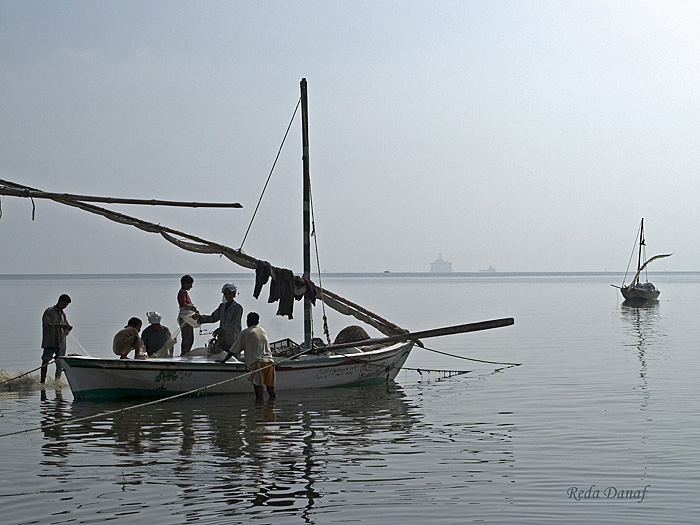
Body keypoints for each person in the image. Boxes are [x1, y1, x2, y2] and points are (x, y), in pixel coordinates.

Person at [220, 312, 276, 399]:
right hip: (270, 362)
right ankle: (271, 408)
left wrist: (223, 360)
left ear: (247, 321)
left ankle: (258, 410)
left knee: (259, 391)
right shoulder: (262, 330)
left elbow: (233, 350)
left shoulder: (245, 333)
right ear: (257, 322)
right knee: (271, 390)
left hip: (258, 364)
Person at [195, 283, 243, 355]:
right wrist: (200, 317)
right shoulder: (222, 306)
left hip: (233, 338)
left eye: (230, 294)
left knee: (233, 355)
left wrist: (222, 329)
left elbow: (235, 323)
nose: (227, 296)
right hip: (222, 338)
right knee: (221, 355)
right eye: (226, 294)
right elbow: (213, 317)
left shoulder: (238, 307)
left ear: (234, 294)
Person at [41, 294, 73, 384]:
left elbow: (66, 328)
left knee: (59, 364)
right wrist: (60, 326)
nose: (64, 307)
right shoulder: (49, 311)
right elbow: (47, 324)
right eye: (63, 305)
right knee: (46, 360)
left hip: (60, 343)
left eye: (66, 306)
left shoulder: (63, 314)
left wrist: (68, 328)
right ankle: (42, 382)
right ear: (59, 302)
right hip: (50, 342)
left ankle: (57, 382)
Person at [177, 275, 198, 356]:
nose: (191, 286)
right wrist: (192, 307)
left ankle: (186, 353)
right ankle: (184, 354)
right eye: (190, 284)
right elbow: (183, 304)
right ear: (185, 283)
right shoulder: (182, 292)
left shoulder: (184, 292)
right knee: (187, 338)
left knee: (190, 338)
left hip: (187, 318)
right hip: (184, 318)